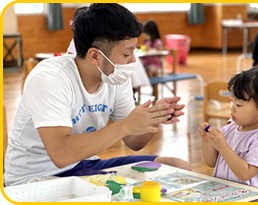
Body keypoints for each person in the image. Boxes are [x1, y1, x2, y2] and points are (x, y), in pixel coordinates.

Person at [4, 3, 191, 187]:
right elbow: (61, 155)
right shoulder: (49, 78)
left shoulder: (115, 76)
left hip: (84, 166)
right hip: (34, 179)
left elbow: (134, 141)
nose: (133, 61)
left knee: (177, 166)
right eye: (127, 54)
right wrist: (125, 125)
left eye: (134, 51)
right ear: (95, 56)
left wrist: (155, 116)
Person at [199, 67, 258, 193]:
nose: (232, 108)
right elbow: (211, 162)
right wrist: (207, 141)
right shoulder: (230, 129)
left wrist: (223, 147)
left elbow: (245, 173)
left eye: (238, 104)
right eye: (231, 101)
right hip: (227, 196)